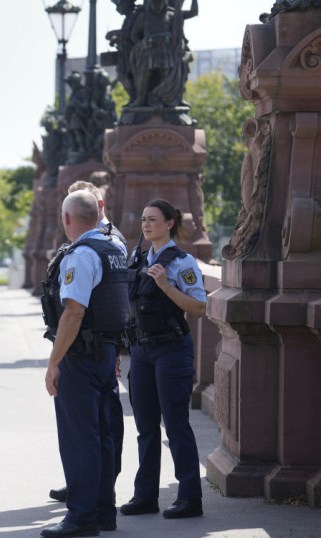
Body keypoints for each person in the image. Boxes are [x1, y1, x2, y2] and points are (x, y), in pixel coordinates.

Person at [41, 190, 130, 537]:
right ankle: (104, 513)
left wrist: (54, 362)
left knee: (80, 439)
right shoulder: (115, 249)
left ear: (67, 219)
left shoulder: (81, 255)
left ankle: (81, 517)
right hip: (107, 353)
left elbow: (74, 313)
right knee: (103, 436)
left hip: (80, 357)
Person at [119, 199, 206, 520]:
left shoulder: (182, 262)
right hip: (141, 351)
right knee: (145, 427)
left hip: (172, 349)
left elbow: (199, 308)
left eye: (153, 219)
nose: (146, 224)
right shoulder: (138, 258)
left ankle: (190, 497)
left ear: (169, 223)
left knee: (176, 424)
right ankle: (145, 495)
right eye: (144, 219)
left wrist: (166, 285)